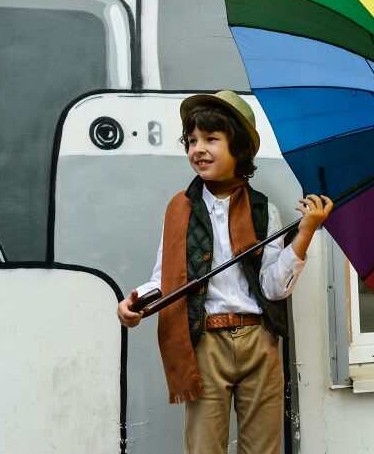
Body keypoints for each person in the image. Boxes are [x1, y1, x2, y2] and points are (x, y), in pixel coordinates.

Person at [116, 90, 332, 454]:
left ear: (240, 148)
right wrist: (135, 303)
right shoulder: (179, 209)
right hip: (205, 344)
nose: (198, 148)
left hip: (259, 340)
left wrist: (306, 232)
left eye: (211, 139)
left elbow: (274, 288)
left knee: (262, 447)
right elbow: (164, 279)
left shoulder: (264, 211)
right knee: (204, 447)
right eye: (192, 140)